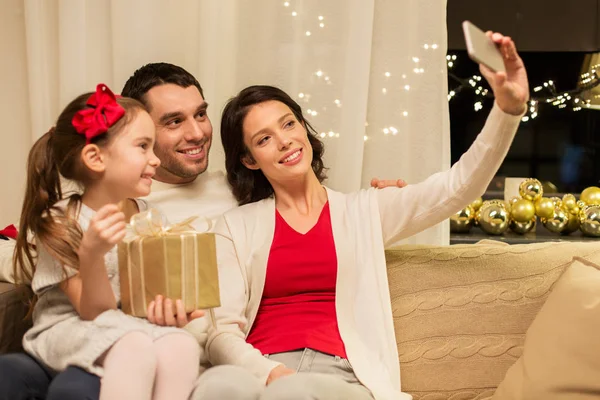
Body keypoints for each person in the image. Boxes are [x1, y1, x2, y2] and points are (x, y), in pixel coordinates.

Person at [0, 63, 405, 399]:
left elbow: (303, 198)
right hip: (115, 339)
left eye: (200, 113)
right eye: (173, 122)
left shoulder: (237, 191)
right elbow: (46, 259)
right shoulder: (129, 197)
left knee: (166, 350)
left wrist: (376, 201)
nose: (196, 132)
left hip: (191, 346)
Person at [194, 32, 529, 399]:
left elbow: (457, 188)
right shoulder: (235, 226)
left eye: (288, 124)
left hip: (339, 377)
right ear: (248, 160)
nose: (285, 140)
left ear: (304, 128)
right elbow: (221, 332)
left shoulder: (365, 210)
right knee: (216, 385)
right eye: (263, 139)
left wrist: (507, 111)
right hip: (260, 370)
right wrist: (271, 372)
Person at [13, 84, 201, 400]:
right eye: (143, 146)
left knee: (182, 345)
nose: (155, 160)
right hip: (69, 328)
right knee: (134, 345)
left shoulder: (149, 218)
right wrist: (92, 254)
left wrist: (169, 310)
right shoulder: (62, 221)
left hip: (126, 325)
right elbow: (94, 312)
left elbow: (150, 298)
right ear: (95, 158)